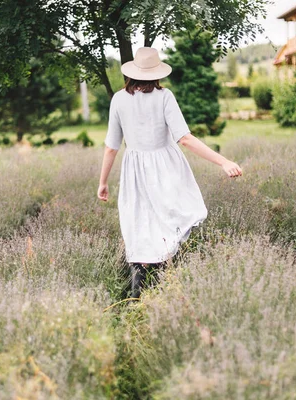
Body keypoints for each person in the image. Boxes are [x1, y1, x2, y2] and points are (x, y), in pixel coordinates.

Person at [97, 47, 242, 298]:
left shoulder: (118, 99)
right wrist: (222, 161)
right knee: (169, 218)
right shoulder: (164, 96)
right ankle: (165, 279)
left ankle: (140, 290)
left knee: (139, 222)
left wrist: (103, 183)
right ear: (156, 73)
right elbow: (184, 139)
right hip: (165, 167)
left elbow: (112, 147)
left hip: (134, 170)